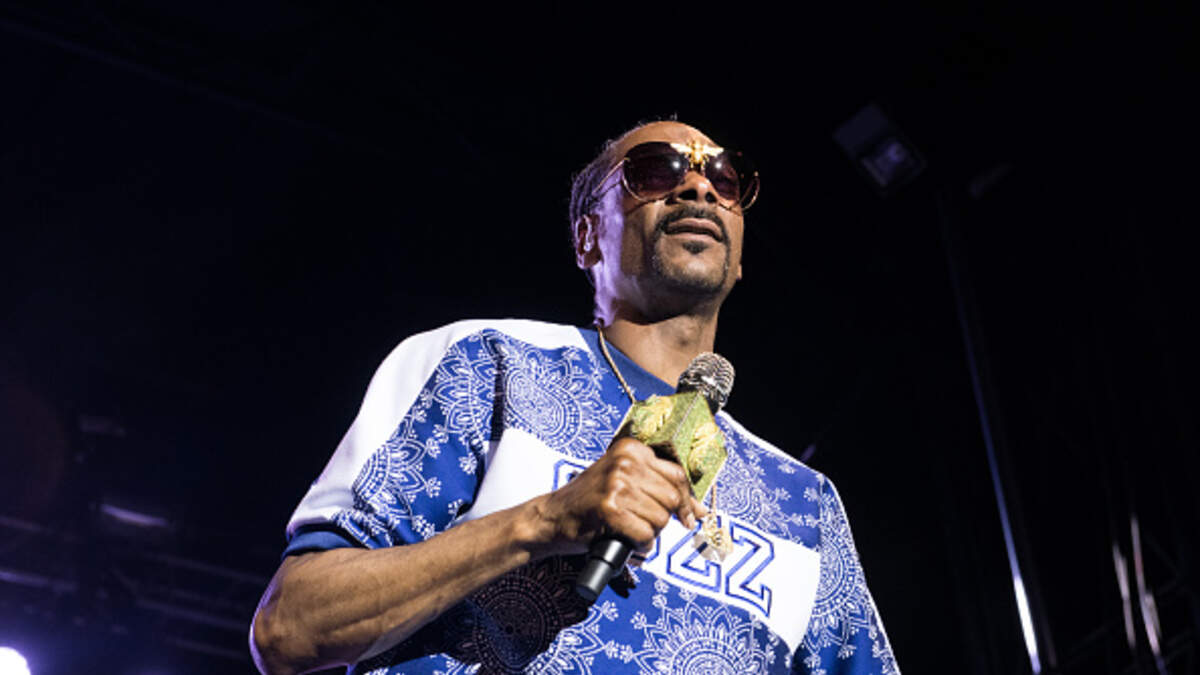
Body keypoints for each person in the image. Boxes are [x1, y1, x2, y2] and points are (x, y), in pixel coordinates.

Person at [250, 120, 900, 674]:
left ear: (738, 260)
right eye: (656, 170)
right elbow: (290, 626)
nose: (699, 187)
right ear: (588, 236)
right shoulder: (487, 364)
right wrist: (543, 522)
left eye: (725, 180)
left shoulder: (805, 502)